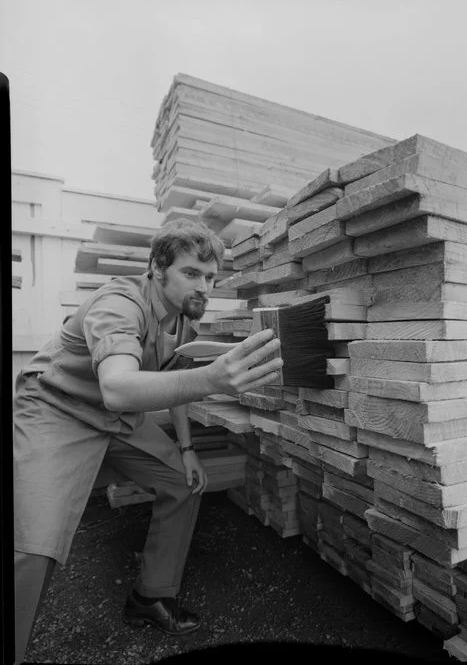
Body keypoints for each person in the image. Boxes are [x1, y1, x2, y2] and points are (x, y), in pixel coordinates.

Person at [13, 218, 283, 663]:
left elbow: (176, 379)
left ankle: (151, 597)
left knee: (183, 482)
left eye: (211, 277)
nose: (204, 287)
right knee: (34, 545)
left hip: (115, 418)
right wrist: (213, 378)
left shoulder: (181, 320)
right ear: (158, 268)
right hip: (57, 409)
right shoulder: (119, 304)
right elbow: (118, 387)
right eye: (191, 273)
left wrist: (188, 449)